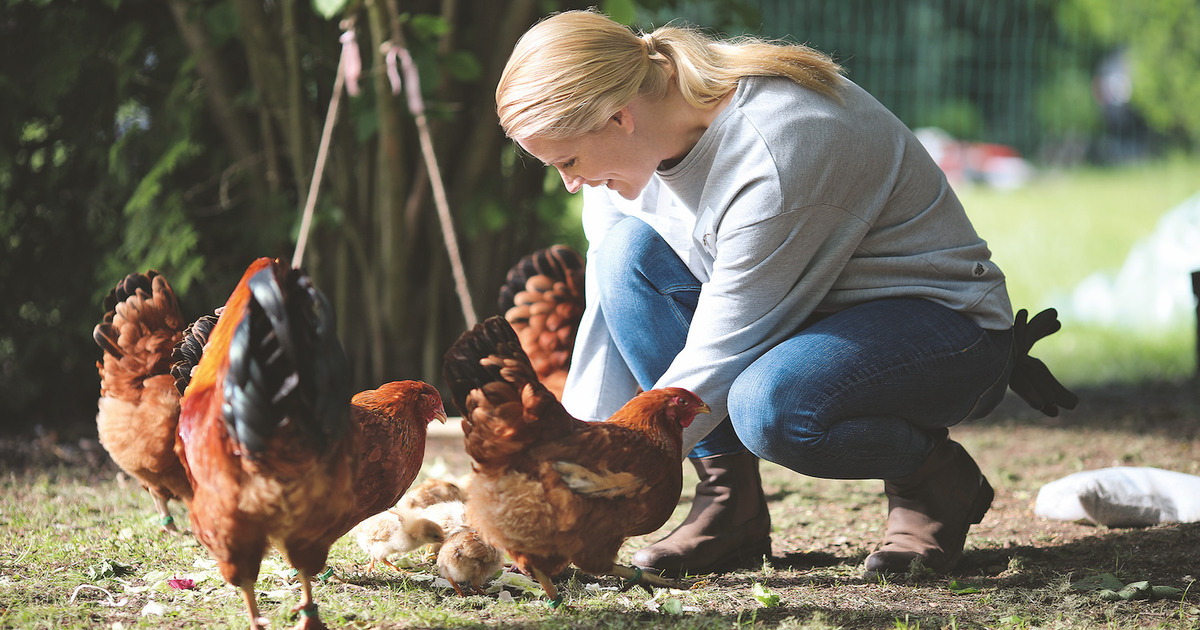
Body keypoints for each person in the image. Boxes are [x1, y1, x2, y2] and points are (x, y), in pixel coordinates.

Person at [495, 9, 1074, 580]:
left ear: (619, 116)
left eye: (568, 161)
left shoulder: (774, 151)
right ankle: (731, 507)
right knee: (625, 255)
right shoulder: (629, 158)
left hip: (938, 329)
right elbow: (606, 310)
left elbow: (725, 353)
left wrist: (596, 485)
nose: (569, 182)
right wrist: (565, 464)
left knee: (771, 408)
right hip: (800, 318)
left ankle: (932, 477)